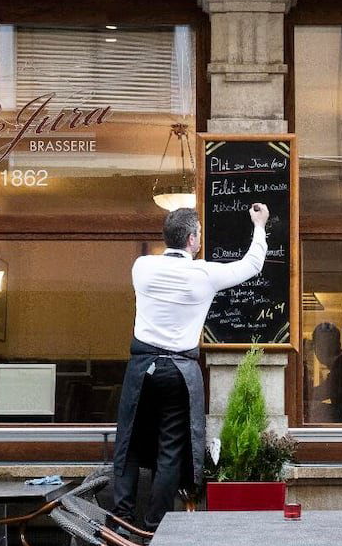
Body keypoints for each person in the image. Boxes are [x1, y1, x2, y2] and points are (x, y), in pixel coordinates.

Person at [111, 203, 268, 529]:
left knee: (127, 441)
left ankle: (123, 521)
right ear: (193, 239)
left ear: (167, 237)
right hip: (180, 371)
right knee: (171, 448)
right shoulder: (204, 274)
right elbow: (252, 265)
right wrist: (260, 224)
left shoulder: (141, 266)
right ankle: (156, 524)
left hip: (142, 366)